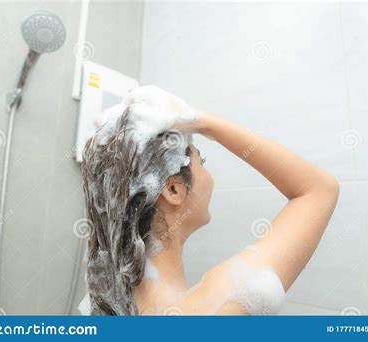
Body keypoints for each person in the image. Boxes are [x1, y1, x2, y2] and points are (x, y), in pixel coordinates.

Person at [79, 85, 339, 315]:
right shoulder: (215, 306)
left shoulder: (104, 302)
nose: (207, 172)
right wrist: (203, 121)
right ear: (173, 189)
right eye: (201, 161)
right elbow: (318, 189)